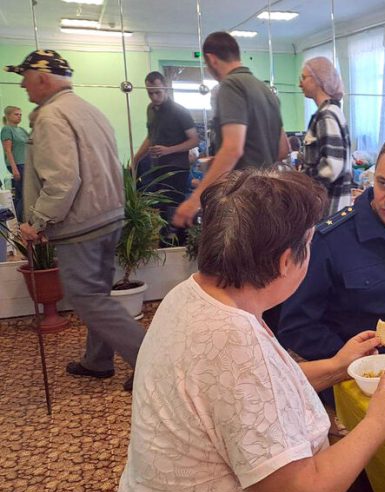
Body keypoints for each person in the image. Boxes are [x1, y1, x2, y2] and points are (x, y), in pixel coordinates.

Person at [115, 168, 385, 492]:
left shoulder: (191, 294)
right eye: (310, 244)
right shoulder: (234, 341)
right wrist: (378, 422)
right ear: (287, 261)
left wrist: (337, 367)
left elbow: (251, 393)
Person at [6, 49, 144, 391]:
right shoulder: (88, 110)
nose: (23, 86)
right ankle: (97, 361)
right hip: (107, 216)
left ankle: (151, 363)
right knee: (96, 293)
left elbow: (63, 181)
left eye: (25, 78)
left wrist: (36, 222)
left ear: (42, 77)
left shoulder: (52, 116)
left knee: (87, 298)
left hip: (81, 222)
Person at [278, 135, 385, 365]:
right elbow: (297, 326)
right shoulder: (330, 239)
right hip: (352, 375)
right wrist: (362, 359)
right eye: (383, 183)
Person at [173, 32, 289, 228]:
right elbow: (283, 149)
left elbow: (233, 149)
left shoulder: (230, 86)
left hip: (241, 200)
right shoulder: (266, 91)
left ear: (211, 59)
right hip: (267, 197)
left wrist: (194, 201)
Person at [132, 71, 199, 244]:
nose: (154, 97)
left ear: (165, 88)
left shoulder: (180, 112)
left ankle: (179, 245)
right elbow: (151, 136)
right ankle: (170, 244)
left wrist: (168, 150)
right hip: (158, 168)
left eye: (158, 92)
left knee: (175, 210)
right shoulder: (151, 110)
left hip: (177, 168)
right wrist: (137, 157)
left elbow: (194, 140)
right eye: (150, 93)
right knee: (163, 210)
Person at [299, 57, 352, 216]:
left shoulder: (326, 115)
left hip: (329, 210)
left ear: (318, 80)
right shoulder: (332, 111)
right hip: (333, 207)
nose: (300, 84)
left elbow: (332, 166)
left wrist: (301, 181)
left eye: (304, 78)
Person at [2, 105, 30, 220]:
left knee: (25, 194)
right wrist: (14, 169)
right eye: (16, 114)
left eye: (20, 115)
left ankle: (21, 221)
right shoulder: (7, 129)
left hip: (26, 164)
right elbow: (8, 150)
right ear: (8, 116)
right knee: (23, 194)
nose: (19, 116)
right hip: (17, 164)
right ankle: (18, 222)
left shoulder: (22, 130)